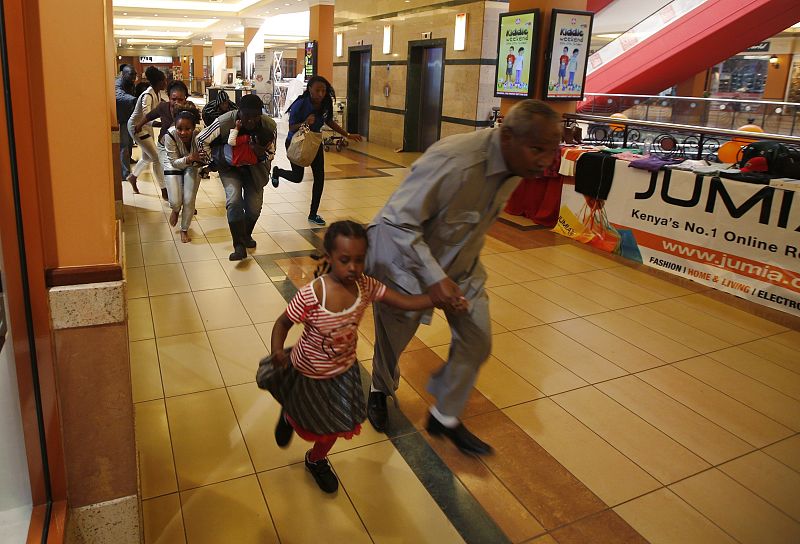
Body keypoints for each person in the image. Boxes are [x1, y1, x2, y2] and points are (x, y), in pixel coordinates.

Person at [365, 100, 562, 456]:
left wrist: (449, 275)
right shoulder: (455, 161)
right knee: (392, 341)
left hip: (462, 266)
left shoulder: (518, 165)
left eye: (552, 150)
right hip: (405, 262)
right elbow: (397, 221)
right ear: (507, 136)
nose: (545, 161)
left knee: (477, 338)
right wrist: (433, 277)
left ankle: (444, 415)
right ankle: (379, 389)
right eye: (537, 149)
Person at [262, 221, 464, 493]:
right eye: (345, 260)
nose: (353, 268)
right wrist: (277, 350)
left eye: (359, 260)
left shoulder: (366, 286)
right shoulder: (313, 293)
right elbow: (283, 323)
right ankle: (289, 416)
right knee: (305, 419)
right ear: (329, 256)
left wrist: (435, 300)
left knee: (333, 428)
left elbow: (403, 301)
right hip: (308, 373)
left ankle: (316, 459)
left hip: (342, 375)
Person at [270, 75, 362, 227]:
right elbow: (291, 127)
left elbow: (329, 121)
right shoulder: (300, 103)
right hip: (296, 143)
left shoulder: (325, 103)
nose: (321, 94)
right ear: (310, 89)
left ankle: (313, 214)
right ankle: (277, 172)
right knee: (297, 177)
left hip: (314, 142)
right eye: (317, 90)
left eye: (323, 90)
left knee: (319, 178)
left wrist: (347, 134)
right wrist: (305, 122)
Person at [196, 94, 276, 261]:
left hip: (255, 168)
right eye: (247, 116)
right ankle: (238, 245)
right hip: (230, 167)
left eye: (256, 116)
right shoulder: (224, 121)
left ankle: (245, 235)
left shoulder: (269, 125)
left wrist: (259, 153)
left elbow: (271, 153)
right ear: (239, 112)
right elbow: (200, 139)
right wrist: (212, 161)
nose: (251, 120)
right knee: (234, 201)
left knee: (254, 208)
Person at [162, 106, 202, 243]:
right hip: (173, 163)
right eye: (179, 128)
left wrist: (196, 161)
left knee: (189, 199)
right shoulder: (169, 135)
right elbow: (174, 162)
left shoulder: (199, 135)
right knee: (175, 201)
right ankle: (175, 209)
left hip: (192, 165)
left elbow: (203, 158)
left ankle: (184, 229)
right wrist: (189, 158)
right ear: (175, 126)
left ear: (194, 127)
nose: (183, 132)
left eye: (187, 129)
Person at [127, 66, 168, 198]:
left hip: (145, 127)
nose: (166, 83)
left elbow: (160, 107)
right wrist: (160, 124)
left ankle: (133, 177)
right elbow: (147, 116)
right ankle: (164, 189)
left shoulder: (157, 93)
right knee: (156, 157)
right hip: (137, 127)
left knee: (147, 157)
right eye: (164, 81)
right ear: (159, 82)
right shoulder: (147, 95)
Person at [199, 90, 238, 179]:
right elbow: (206, 119)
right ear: (219, 104)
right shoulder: (209, 110)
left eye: (226, 103)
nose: (225, 105)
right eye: (223, 104)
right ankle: (209, 168)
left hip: (227, 132)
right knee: (216, 152)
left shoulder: (233, 108)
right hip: (214, 131)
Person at [115, 64, 137, 181]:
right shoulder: (118, 83)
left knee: (129, 142)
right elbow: (119, 96)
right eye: (131, 75)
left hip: (129, 117)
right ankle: (124, 173)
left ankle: (129, 160)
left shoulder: (130, 83)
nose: (134, 77)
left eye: (135, 75)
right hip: (122, 118)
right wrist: (134, 99)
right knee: (124, 145)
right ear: (123, 74)